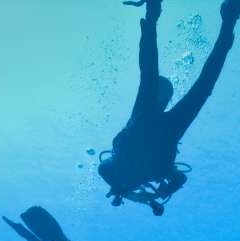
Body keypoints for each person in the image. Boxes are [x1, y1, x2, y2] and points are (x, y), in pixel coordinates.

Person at [99, 0, 240, 216]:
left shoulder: (121, 170)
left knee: (201, 87)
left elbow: (105, 169)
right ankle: (226, 21)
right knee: (197, 86)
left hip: (150, 136)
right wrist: (129, 190)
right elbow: (178, 177)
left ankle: (227, 22)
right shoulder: (135, 171)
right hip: (159, 140)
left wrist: (123, 190)